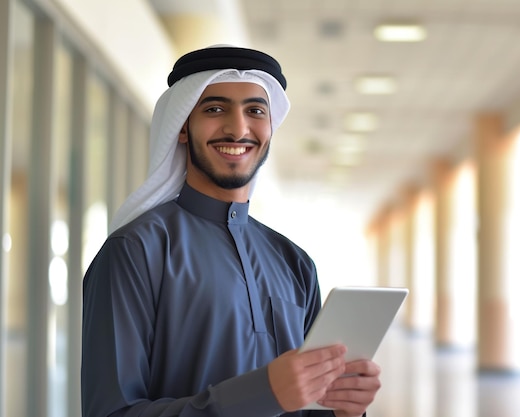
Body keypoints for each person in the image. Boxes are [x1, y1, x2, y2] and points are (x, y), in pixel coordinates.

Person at [81, 45, 382, 417]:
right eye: (214, 109)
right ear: (181, 128)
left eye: (255, 111)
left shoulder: (296, 263)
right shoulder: (135, 251)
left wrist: (344, 409)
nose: (238, 129)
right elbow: (111, 412)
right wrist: (262, 393)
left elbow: (305, 407)